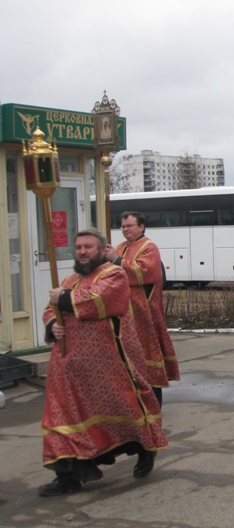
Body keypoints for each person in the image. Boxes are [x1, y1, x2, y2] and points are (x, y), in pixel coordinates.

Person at [38, 229, 168, 496]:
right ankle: (67, 478)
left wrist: (62, 298)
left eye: (88, 247)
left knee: (124, 411)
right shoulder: (70, 279)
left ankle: (144, 449)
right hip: (67, 368)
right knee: (60, 416)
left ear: (101, 250)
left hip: (107, 365)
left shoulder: (114, 274)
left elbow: (99, 301)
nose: (82, 252)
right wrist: (52, 325)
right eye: (78, 248)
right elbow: (51, 309)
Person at [104, 211, 179, 407]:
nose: (125, 229)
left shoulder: (149, 247)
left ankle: (153, 405)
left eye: (129, 226)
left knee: (146, 360)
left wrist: (116, 260)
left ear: (141, 226)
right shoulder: (120, 247)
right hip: (122, 315)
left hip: (143, 315)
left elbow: (143, 273)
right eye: (123, 226)